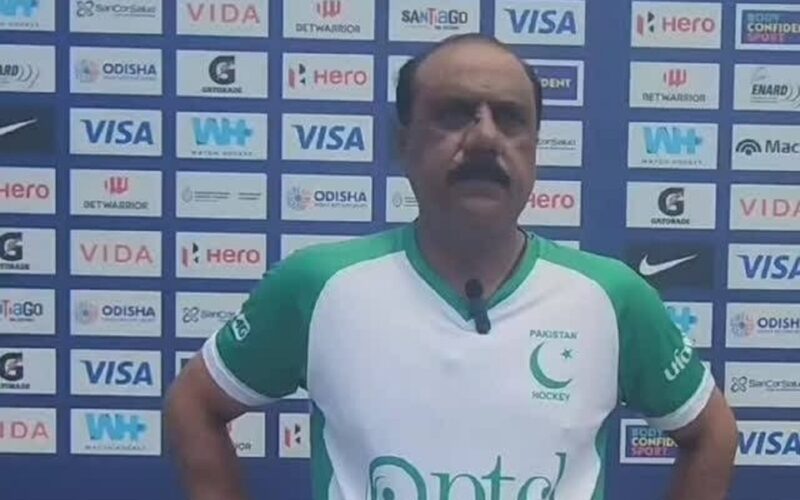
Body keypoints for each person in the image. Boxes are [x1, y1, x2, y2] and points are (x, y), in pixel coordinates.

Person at [164, 33, 738, 500]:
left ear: (535, 148)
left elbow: (713, 433)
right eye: (455, 114)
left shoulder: (610, 296)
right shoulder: (319, 286)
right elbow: (195, 405)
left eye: (510, 119)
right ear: (403, 142)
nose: (485, 137)